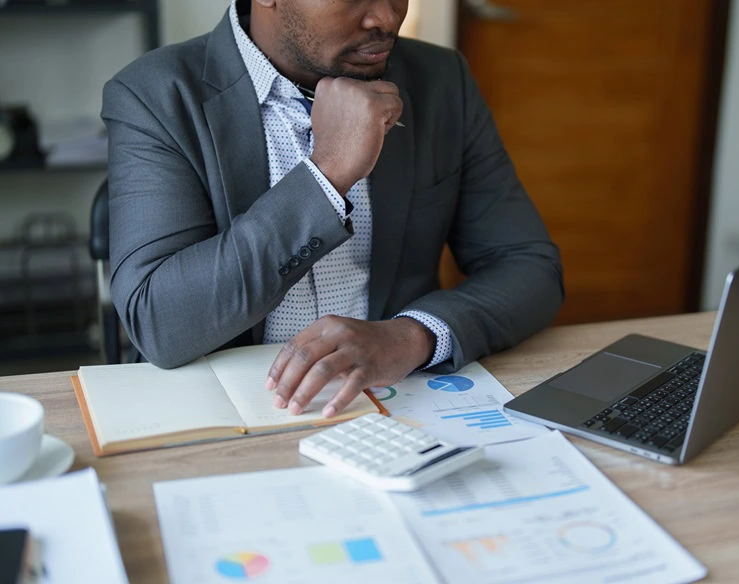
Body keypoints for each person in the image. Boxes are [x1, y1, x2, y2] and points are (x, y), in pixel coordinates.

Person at [101, 0, 563, 419]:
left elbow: (528, 265)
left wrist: (409, 336)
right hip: (221, 416)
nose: (385, 17)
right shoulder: (155, 95)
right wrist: (327, 175)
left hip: (400, 404)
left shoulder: (442, 81)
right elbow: (159, 321)